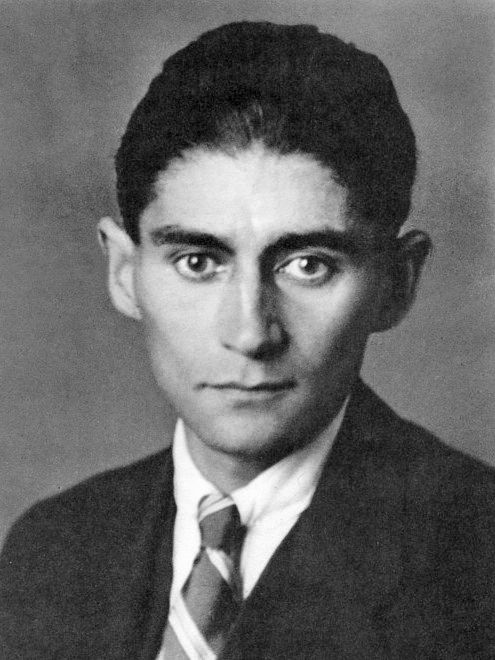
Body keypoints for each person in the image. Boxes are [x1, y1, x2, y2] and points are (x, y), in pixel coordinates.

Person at [1, 20, 494, 660]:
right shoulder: (51, 549)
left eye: (308, 265)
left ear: (396, 284)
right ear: (124, 274)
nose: (250, 333)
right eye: (198, 262)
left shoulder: (478, 558)